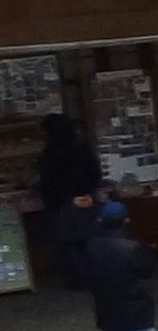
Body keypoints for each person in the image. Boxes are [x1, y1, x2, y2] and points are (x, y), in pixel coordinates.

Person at [84, 198, 158, 331]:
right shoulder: (132, 248)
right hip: (134, 306)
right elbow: (147, 270)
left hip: (106, 307)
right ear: (125, 220)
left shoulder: (92, 246)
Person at [33, 114, 101, 290]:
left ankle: (81, 280)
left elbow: (48, 183)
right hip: (87, 199)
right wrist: (88, 193)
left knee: (72, 243)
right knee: (90, 240)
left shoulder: (49, 155)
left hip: (64, 204)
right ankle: (98, 276)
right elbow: (95, 173)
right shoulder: (83, 150)